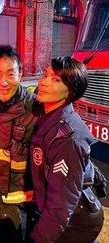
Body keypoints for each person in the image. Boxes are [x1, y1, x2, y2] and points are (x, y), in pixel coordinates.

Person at [28, 56, 104, 243]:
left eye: (56, 80)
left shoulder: (67, 138)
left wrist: (38, 240)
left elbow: (61, 207)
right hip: (67, 213)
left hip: (75, 223)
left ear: (70, 91)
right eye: (45, 75)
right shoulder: (46, 112)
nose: (44, 82)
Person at [0, 45, 37, 243]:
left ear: (21, 74)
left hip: (31, 189)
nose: (3, 82)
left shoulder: (37, 107)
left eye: (10, 74)